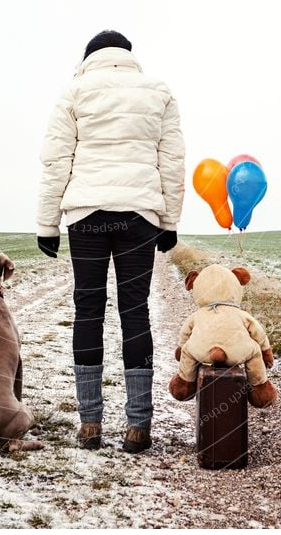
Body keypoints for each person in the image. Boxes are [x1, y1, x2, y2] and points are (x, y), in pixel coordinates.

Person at [36, 30, 185, 453]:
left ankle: (90, 424)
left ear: (89, 58)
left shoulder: (74, 92)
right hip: (139, 214)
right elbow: (172, 160)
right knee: (135, 313)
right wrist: (169, 221)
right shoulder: (158, 92)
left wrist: (48, 225)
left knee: (88, 310)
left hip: (86, 216)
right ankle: (139, 427)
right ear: (127, 57)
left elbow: (56, 161)